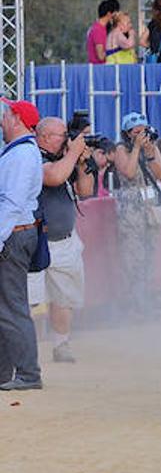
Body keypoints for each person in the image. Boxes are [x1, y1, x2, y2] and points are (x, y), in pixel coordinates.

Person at [31, 117, 94, 363]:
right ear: (44, 137)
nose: (67, 139)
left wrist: (81, 162)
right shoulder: (33, 157)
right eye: (62, 135)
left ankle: (61, 344)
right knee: (29, 298)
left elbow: (86, 191)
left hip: (65, 240)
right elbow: (54, 177)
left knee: (64, 297)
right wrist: (73, 153)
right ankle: (24, 349)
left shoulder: (64, 160)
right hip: (37, 241)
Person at [0, 99, 45, 390]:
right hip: (15, 231)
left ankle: (28, 373)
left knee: (12, 306)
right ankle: (7, 371)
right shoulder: (20, 152)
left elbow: (12, 202)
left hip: (13, 233)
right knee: (7, 306)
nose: (2, 119)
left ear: (16, 118)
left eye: (6, 114)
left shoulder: (21, 155)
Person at [110, 112, 161, 317]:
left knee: (149, 256)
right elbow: (129, 172)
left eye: (144, 130)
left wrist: (151, 151)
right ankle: (135, 304)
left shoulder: (150, 148)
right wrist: (135, 148)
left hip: (149, 210)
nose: (142, 135)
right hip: (130, 211)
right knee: (133, 256)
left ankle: (145, 300)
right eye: (136, 132)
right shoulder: (120, 149)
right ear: (127, 134)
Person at [87, 0, 119, 64]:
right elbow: (101, 56)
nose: (117, 16)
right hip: (99, 70)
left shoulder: (102, 29)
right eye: (116, 13)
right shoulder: (98, 30)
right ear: (109, 14)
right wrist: (117, 50)